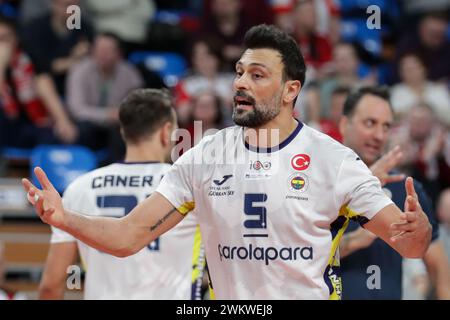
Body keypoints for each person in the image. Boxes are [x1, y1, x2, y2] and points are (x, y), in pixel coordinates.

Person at [22, 24, 432, 300]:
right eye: (239, 72)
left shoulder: (334, 161)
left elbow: (408, 244)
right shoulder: (202, 157)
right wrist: (66, 219)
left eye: (257, 75)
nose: (240, 82)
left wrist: (419, 230)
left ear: (291, 89)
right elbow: (128, 237)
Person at [38, 89, 205, 300]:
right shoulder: (186, 185)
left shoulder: (79, 188)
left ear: (124, 131)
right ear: (166, 132)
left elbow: (51, 286)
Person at [338, 86, 450, 299]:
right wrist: (352, 242)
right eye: (370, 123)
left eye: (386, 126)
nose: (379, 135)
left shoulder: (406, 188)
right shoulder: (317, 182)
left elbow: (439, 267)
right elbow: (293, 258)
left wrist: (422, 232)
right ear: (344, 124)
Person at [0, 15, 77, 149]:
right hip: (7, 125)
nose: (2, 44)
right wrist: (1, 65)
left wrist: (62, 119)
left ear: (16, 39)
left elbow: (44, 84)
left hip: (32, 122)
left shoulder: (29, 58)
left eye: (6, 38)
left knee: (55, 135)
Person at [66, 32, 143, 163]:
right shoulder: (79, 71)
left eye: (108, 50)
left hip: (116, 126)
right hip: (88, 125)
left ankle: (118, 171)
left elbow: (136, 106)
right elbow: (77, 109)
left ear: (118, 54)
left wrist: (121, 114)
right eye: (98, 49)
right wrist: (107, 114)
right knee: (82, 129)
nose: (102, 54)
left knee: (125, 132)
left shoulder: (130, 74)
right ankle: (83, 169)